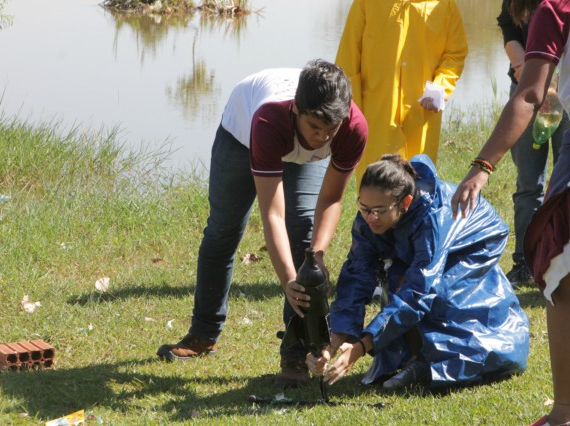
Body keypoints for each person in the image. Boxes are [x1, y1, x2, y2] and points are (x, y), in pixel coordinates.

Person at [156, 59, 369, 388]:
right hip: (241, 137)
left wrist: (319, 257)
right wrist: (287, 281)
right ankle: (203, 335)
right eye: (315, 126)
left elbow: (332, 200)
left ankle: (297, 354)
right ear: (298, 109)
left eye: (331, 128)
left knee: (304, 243)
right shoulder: (269, 120)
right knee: (223, 233)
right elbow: (272, 212)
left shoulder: (353, 127)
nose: (322, 137)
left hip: (292, 146)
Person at [306, 154, 529, 390]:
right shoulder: (369, 218)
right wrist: (335, 341)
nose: (371, 217)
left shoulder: (433, 217)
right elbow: (355, 279)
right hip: (416, 241)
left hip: (474, 242)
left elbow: (419, 292)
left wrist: (362, 347)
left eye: (379, 210)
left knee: (437, 292)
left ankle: (441, 361)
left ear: (405, 202)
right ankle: (414, 356)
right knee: (396, 282)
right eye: (364, 207)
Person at [453, 1, 570, 424]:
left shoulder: (554, 8)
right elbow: (530, 90)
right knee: (560, 273)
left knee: (561, 275)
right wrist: (483, 166)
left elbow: (529, 92)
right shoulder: (552, 10)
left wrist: (481, 167)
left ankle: (562, 413)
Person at [335, 0, 467, 181]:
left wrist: (440, 87)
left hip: (421, 115)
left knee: (418, 184)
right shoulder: (367, 3)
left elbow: (455, 54)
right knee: (375, 183)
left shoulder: (444, 7)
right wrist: (350, 114)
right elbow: (348, 58)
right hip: (376, 115)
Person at [497, 0, 570, 286]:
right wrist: (522, 66)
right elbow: (508, 26)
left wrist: (552, 84)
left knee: (562, 189)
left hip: (562, 90)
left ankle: (556, 262)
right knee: (528, 183)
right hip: (527, 83)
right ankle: (525, 263)